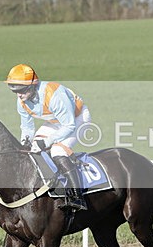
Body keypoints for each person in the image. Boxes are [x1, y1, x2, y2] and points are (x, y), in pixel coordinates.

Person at [5, 63, 90, 211]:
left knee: (58, 151)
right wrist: (25, 141)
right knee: (32, 148)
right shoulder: (22, 101)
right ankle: (51, 186)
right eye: (15, 91)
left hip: (77, 119)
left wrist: (47, 142)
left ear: (32, 85)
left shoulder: (55, 95)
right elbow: (27, 127)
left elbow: (69, 126)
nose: (19, 95)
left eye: (22, 90)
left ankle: (78, 197)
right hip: (55, 121)